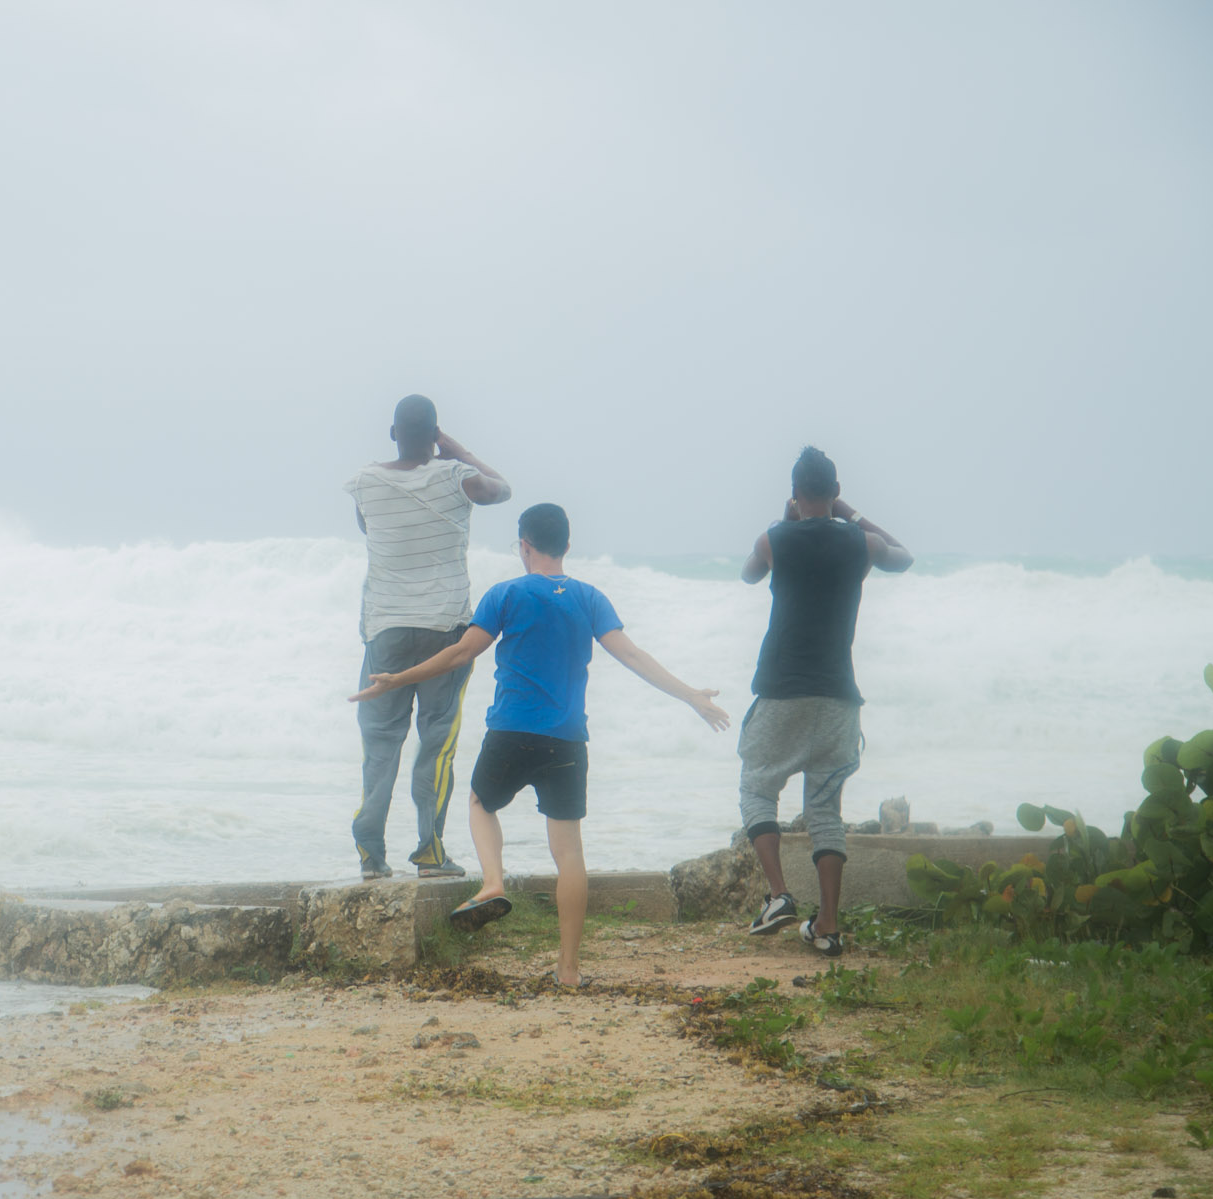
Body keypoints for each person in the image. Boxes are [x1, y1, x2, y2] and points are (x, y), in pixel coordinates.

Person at [350, 503, 728, 986]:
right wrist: (690, 694)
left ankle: (493, 883)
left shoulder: (505, 593)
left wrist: (398, 679)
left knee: (480, 802)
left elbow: (462, 652)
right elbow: (633, 656)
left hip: (511, 730)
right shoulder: (590, 598)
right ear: (567, 546)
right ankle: (568, 970)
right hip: (568, 738)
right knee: (569, 852)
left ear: (524, 546)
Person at [738, 446, 913, 957]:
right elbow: (904, 556)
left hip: (781, 688)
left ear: (795, 494)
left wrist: (782, 519)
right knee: (824, 808)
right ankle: (829, 926)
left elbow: (748, 574)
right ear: (835, 493)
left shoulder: (775, 539)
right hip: (838, 693)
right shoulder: (862, 543)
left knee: (756, 787)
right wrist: (851, 515)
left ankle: (778, 896)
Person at [344, 394, 510, 880]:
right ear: (436, 434)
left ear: (393, 433)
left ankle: (370, 856)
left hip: (385, 629)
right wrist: (458, 452)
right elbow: (503, 490)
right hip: (446, 633)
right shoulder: (457, 477)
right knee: (436, 744)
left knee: (380, 745)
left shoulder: (365, 483)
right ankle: (430, 852)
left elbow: (367, 528)